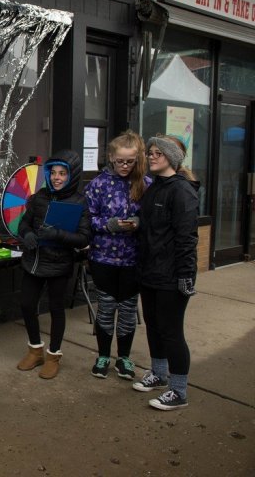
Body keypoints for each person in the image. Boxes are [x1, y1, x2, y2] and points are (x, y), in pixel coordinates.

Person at [133, 134, 199, 410]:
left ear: (171, 157)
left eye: (158, 153)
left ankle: (179, 391)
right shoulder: (154, 187)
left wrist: (186, 276)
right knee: (154, 326)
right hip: (150, 272)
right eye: (150, 152)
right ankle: (159, 375)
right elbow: (151, 227)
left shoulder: (182, 191)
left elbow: (186, 238)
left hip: (172, 275)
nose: (151, 156)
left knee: (171, 331)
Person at [16, 150, 91, 379]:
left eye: (63, 173)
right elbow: (23, 224)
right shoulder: (39, 197)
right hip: (34, 261)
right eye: (53, 173)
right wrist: (26, 234)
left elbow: (84, 238)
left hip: (59, 264)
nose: (57, 177)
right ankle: (35, 349)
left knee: (57, 309)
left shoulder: (79, 202)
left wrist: (58, 234)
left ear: (72, 176)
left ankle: (53, 355)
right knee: (27, 305)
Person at [84, 130, 151, 379]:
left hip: (133, 258)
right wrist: (109, 224)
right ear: (111, 157)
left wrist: (138, 222)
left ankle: (124, 358)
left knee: (127, 309)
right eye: (120, 160)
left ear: (137, 159)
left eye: (130, 161)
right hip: (103, 258)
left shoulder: (146, 184)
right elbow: (87, 219)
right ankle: (102, 356)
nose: (125, 166)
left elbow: (152, 219)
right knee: (106, 307)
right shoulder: (97, 185)